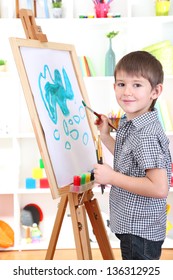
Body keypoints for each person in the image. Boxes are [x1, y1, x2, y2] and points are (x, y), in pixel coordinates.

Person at [94, 51, 172, 260]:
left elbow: (159, 188)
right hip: (133, 226)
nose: (127, 91)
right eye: (121, 84)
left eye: (137, 85)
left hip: (140, 232)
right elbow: (128, 157)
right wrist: (105, 135)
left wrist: (111, 177)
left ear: (155, 91)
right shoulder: (133, 123)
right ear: (114, 87)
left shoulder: (145, 134)